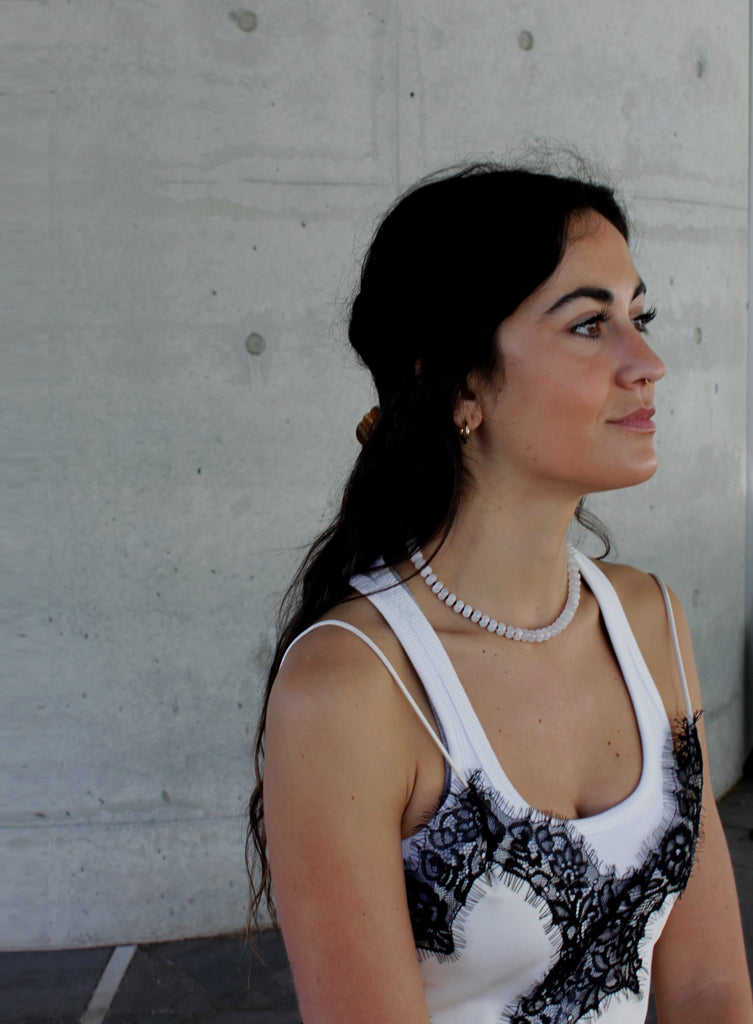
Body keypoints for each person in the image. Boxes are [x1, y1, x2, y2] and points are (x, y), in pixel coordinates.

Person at [246, 162, 753, 1023]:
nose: (649, 363)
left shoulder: (647, 622)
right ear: (459, 384)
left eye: (641, 316)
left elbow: (707, 985)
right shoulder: (354, 686)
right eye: (591, 324)